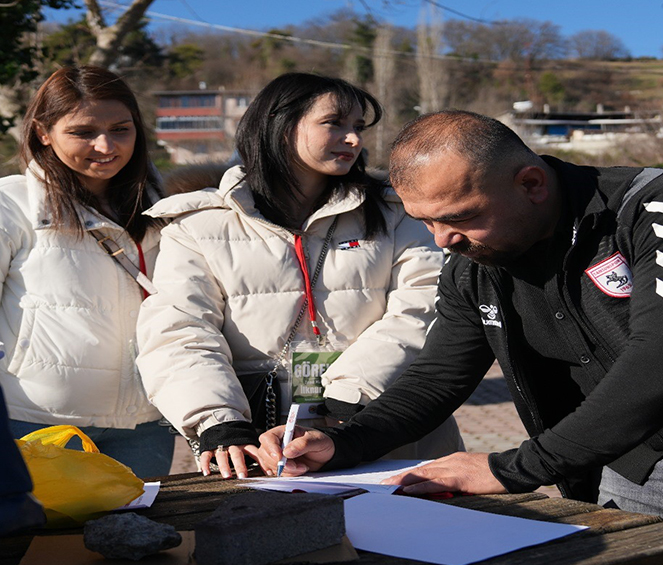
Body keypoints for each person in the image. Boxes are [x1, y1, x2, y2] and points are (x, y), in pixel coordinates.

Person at [260, 110, 663, 565]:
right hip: (630, 485)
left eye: (458, 218)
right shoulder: (473, 263)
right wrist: (342, 446)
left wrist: (513, 470)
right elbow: (437, 377)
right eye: (426, 224)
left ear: (531, 184)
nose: (442, 242)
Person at [136, 73, 464, 480]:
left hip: (385, 430)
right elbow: (179, 329)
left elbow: (423, 310)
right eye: (334, 123)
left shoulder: (398, 212)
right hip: (263, 446)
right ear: (280, 123)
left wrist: (345, 402)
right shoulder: (197, 224)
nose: (353, 140)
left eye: (358, 127)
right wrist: (218, 422)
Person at [0, 66, 174, 478]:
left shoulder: (166, 211)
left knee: (140, 538)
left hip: (145, 426)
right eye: (83, 132)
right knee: (32, 543)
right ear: (43, 132)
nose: (105, 145)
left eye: (121, 129)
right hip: (32, 426)